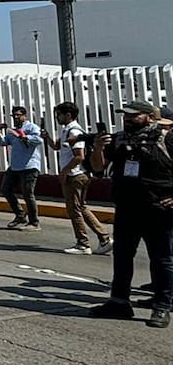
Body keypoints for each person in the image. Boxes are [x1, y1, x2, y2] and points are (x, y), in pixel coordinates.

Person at [88, 100, 173, 329]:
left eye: (133, 115)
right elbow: (98, 168)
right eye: (125, 115)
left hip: (159, 209)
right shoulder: (119, 139)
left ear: (149, 117)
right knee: (123, 257)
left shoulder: (167, 138)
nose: (127, 119)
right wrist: (97, 147)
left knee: (162, 259)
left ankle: (162, 306)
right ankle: (119, 302)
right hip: (127, 208)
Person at [43, 102, 112, 255]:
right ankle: (104, 237)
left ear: (68, 115)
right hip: (74, 174)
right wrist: (47, 137)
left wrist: (64, 172)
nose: (57, 118)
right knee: (81, 207)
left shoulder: (74, 130)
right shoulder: (66, 130)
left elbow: (79, 156)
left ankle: (83, 243)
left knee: (74, 210)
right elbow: (57, 147)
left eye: (59, 114)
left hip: (75, 175)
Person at [0, 106, 43, 230]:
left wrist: (24, 137)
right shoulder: (12, 131)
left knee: (28, 193)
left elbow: (39, 139)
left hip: (29, 166)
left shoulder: (31, 127)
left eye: (18, 115)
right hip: (15, 166)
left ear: (24, 116)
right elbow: (3, 142)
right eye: (14, 115)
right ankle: (20, 215)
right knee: (6, 189)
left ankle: (34, 222)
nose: (16, 117)